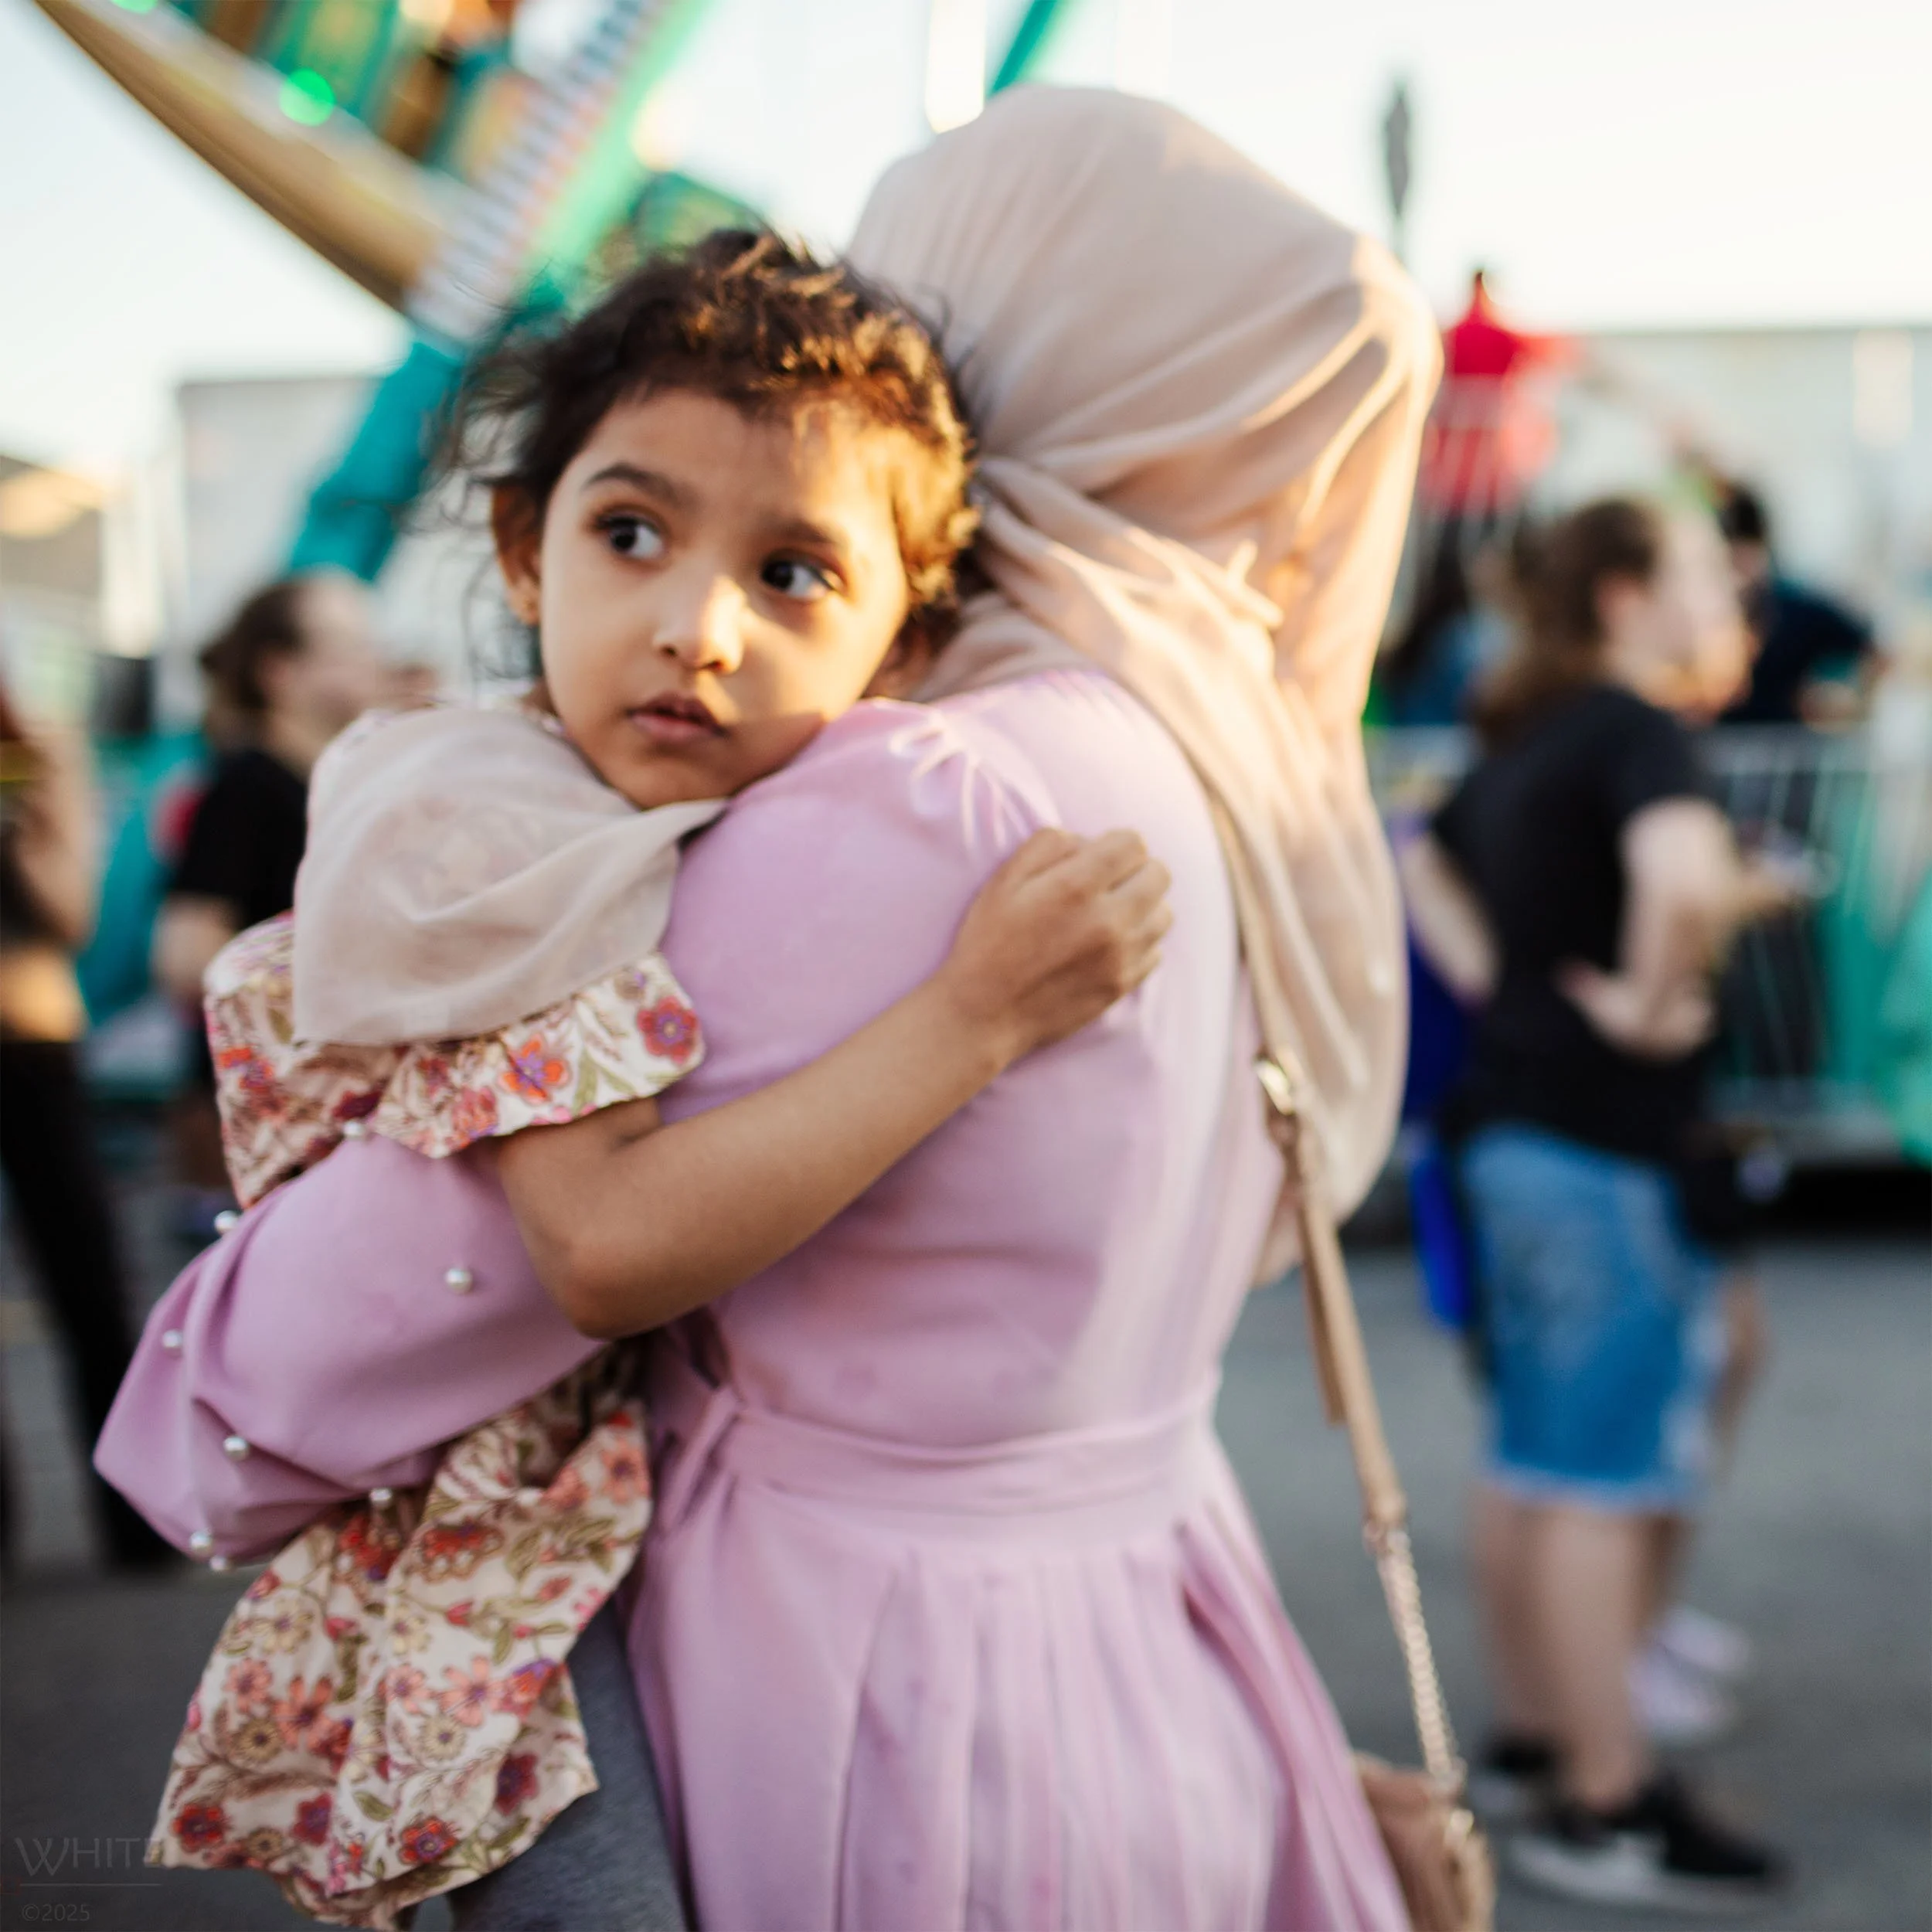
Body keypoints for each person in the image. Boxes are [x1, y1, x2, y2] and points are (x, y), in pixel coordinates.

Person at [100, 88, 1440, 1930]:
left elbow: (433, 1292)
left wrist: (201, 1387)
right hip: (1131, 1658)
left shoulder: (924, 788)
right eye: (630, 533)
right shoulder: (1216, 765)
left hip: (852, 1690)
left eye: (793, 569)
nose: (702, 628)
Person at [1399, 496, 1796, 1911]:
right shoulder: (1635, 731)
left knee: (1534, 1457)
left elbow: (1421, 857)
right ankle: (1606, 1799)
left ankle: (1536, 1742)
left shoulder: (1529, 731)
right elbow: (1681, 881)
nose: (1728, 590)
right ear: (1626, 597)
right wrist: (1642, 997)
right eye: (1700, 573)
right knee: (1594, 1478)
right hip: (1600, 1149)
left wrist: (1504, 987)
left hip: (1513, 1134)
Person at [153, 570, 389, 1227]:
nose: (372, 659)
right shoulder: (246, 788)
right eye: (347, 646)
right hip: (273, 1129)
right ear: (280, 671)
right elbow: (184, 956)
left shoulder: (326, 787)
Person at [0, 686, 172, 1570]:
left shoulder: (35, 746)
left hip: (31, 1039)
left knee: (88, 1279)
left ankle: (135, 1517)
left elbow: (72, 915)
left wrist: (19, 824)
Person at [1716, 483, 1875, 726]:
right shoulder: (1706, 616)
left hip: (1788, 740)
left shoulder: (1799, 608)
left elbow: (1873, 651)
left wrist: (1855, 705)